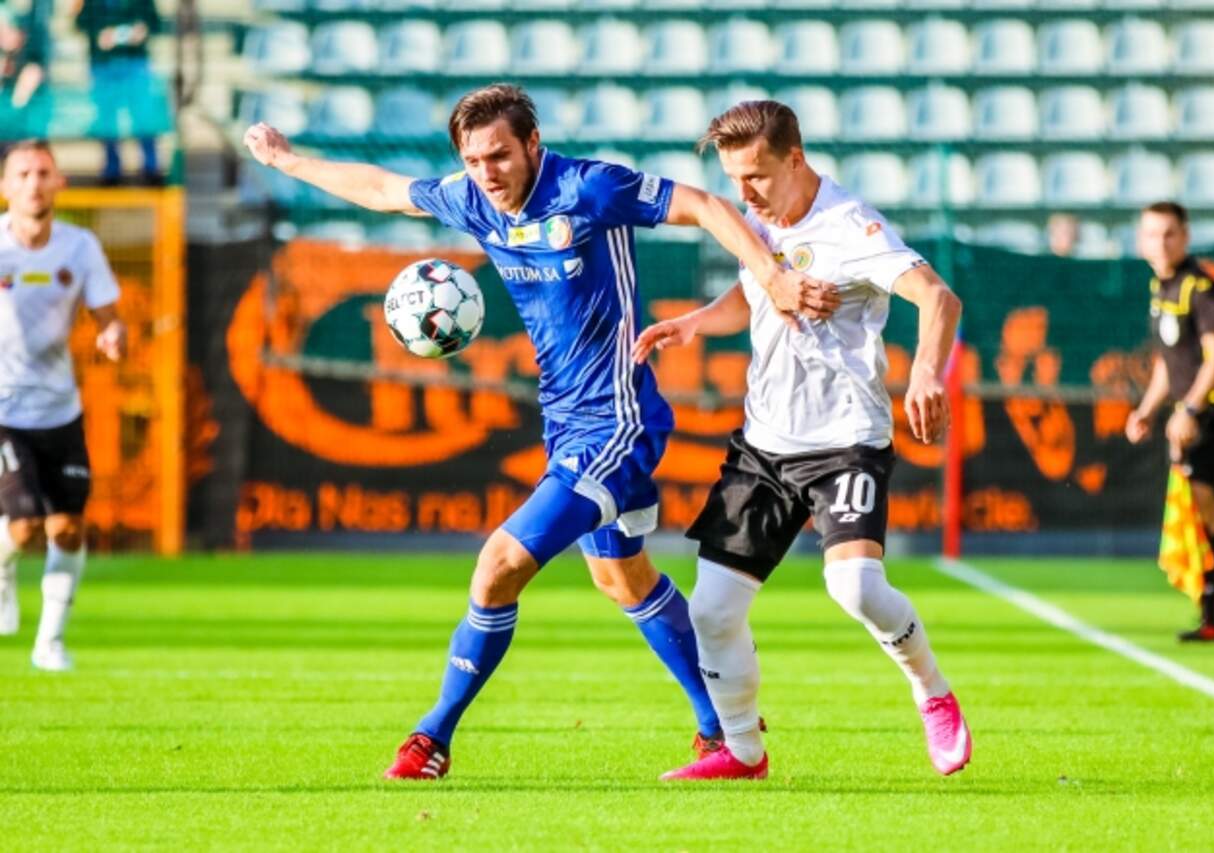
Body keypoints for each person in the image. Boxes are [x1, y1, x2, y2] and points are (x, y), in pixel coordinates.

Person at [243, 84, 841, 780]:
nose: (486, 172)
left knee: (498, 565)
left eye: (499, 155)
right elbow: (382, 190)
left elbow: (706, 205)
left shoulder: (589, 189)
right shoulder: (473, 199)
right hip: (565, 421)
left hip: (618, 422)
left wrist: (771, 276)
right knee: (623, 578)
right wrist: (287, 161)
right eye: (472, 160)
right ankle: (722, 728)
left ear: (532, 143)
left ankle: (431, 738)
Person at [633, 100, 971, 781]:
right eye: (734, 179)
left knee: (856, 587)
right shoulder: (760, 222)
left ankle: (933, 691)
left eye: (756, 175)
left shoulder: (849, 226)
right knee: (712, 610)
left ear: (795, 159)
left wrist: (926, 372)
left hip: (845, 440)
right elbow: (751, 294)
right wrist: (696, 322)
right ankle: (742, 751)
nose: (745, 193)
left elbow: (939, 298)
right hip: (764, 445)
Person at [0, 139, 126, 670]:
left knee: (68, 528)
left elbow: (109, 317)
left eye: (43, 172)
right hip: (5, 409)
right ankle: (3, 572)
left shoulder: (79, 247)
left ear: (59, 183)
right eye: (23, 173)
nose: (34, 182)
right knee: (24, 526)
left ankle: (49, 643)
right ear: (5, 186)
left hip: (60, 409)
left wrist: (113, 335)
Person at [1125, 201, 1214, 642]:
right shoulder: (1161, 289)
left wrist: (1190, 410)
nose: (1160, 243)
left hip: (1213, 413)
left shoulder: (1201, 288)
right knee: (1198, 509)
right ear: (1140, 241)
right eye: (1152, 234)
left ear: (1185, 237)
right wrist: (1146, 409)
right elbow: (1167, 362)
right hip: (1189, 415)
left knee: (1201, 504)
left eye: (1169, 233)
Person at [74, 0, 166, 185]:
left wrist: (142, 30)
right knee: (107, 118)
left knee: (142, 115)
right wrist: (99, 34)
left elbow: (154, 23)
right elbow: (81, 22)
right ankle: (112, 169)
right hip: (104, 65)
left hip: (134, 63)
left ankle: (151, 167)